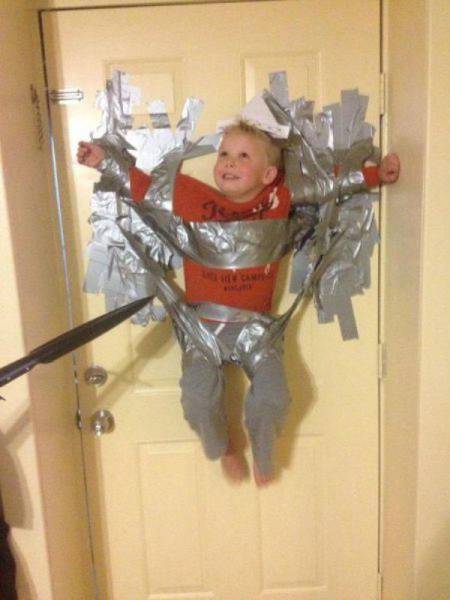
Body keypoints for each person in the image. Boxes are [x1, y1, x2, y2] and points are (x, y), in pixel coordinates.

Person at [78, 121, 400, 486]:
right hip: (203, 329)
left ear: (268, 174)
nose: (229, 162)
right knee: (198, 399)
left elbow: (327, 185)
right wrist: (103, 160)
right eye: (224, 154)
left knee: (275, 398)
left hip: (257, 331)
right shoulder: (191, 196)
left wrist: (376, 175)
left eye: (243, 156)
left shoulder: (278, 199)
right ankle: (223, 449)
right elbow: (145, 189)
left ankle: (263, 450)